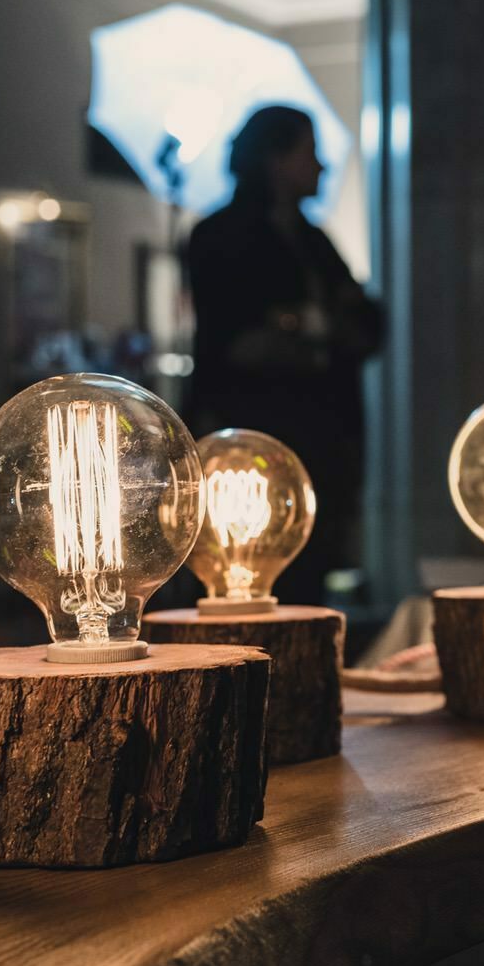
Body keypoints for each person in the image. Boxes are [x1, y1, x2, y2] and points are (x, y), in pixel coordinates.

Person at [185, 106, 383, 604]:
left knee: (309, 571)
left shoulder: (313, 240)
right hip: (250, 435)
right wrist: (314, 326)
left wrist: (298, 324)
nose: (321, 167)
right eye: (309, 153)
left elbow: (369, 326)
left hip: (323, 438)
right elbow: (234, 341)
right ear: (275, 158)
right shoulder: (221, 235)